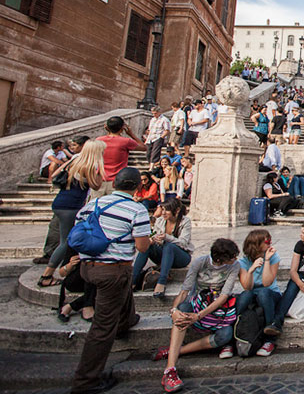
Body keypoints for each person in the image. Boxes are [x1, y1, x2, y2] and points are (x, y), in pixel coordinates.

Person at [71, 167, 150, 394]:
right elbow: (142, 246)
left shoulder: (92, 204)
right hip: (112, 271)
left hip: (87, 268)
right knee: (102, 327)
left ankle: (126, 321)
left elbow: (79, 231)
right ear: (138, 187)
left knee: (123, 286)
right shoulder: (137, 209)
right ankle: (86, 381)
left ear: (114, 184)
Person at [157, 238, 240, 393]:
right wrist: (173, 310)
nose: (235, 259)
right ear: (220, 259)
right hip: (197, 304)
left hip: (217, 311)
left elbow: (223, 297)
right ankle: (170, 369)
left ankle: (175, 351)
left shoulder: (234, 266)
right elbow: (185, 291)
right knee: (182, 311)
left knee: (225, 335)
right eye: (232, 257)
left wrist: (199, 316)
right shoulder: (200, 263)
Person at [38, 140, 106, 288]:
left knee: (68, 239)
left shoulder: (75, 160)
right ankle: (47, 276)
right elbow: (97, 185)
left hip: (60, 202)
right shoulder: (89, 166)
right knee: (66, 242)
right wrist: (100, 171)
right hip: (71, 207)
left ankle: (67, 269)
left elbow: (55, 174)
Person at [132, 199, 193, 298]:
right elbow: (155, 235)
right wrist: (153, 240)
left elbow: (183, 243)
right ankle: (133, 280)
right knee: (148, 245)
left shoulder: (185, 221)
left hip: (181, 257)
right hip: (163, 254)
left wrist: (166, 237)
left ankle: (161, 282)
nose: (163, 213)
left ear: (177, 210)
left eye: (167, 210)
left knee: (169, 246)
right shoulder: (160, 220)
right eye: (163, 209)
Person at [237, 230, 282, 357]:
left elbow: (267, 283)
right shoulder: (243, 262)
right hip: (252, 293)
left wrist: (266, 260)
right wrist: (251, 270)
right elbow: (247, 287)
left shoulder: (273, 257)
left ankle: (270, 339)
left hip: (270, 294)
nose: (270, 243)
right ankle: (235, 333)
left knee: (263, 292)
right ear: (256, 244)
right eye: (267, 241)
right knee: (245, 296)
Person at [96, 116, 146, 196]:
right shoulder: (126, 141)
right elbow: (143, 147)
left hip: (99, 180)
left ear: (107, 127)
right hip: (117, 181)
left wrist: (108, 131)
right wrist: (131, 134)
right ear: (122, 128)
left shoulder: (99, 140)